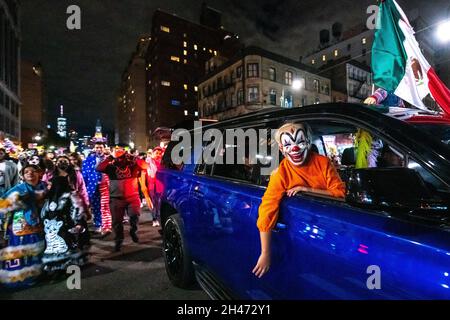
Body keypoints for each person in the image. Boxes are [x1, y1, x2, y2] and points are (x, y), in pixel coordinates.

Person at [252, 123, 346, 278]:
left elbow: (340, 193)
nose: (295, 148)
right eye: (288, 144)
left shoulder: (323, 163)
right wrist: (265, 253)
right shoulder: (281, 174)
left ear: (308, 143)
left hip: (332, 226)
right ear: (282, 149)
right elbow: (267, 211)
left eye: (300, 142)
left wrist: (306, 190)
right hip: (304, 231)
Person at [0, 164, 47, 288]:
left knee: (38, 249)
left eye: (33, 171)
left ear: (40, 173)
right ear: (23, 175)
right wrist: (17, 201)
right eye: (27, 172)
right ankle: (23, 278)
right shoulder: (19, 188)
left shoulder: (44, 186)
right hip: (21, 226)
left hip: (40, 224)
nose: (30, 173)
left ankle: (37, 275)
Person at [97, 144, 148, 251]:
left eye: (123, 155)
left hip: (133, 198)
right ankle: (118, 241)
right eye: (118, 156)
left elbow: (145, 166)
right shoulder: (111, 167)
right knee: (117, 222)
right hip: (116, 199)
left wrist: (133, 157)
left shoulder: (132, 165)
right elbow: (99, 168)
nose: (121, 158)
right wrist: (110, 157)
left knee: (134, 216)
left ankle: (133, 231)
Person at [82, 142, 111, 235]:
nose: (99, 149)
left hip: (106, 186)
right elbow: (85, 174)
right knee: (95, 206)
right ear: (94, 149)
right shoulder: (88, 160)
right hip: (92, 186)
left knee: (105, 206)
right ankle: (98, 224)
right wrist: (85, 186)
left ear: (104, 148)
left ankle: (106, 225)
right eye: (97, 147)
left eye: (101, 147)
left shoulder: (109, 160)